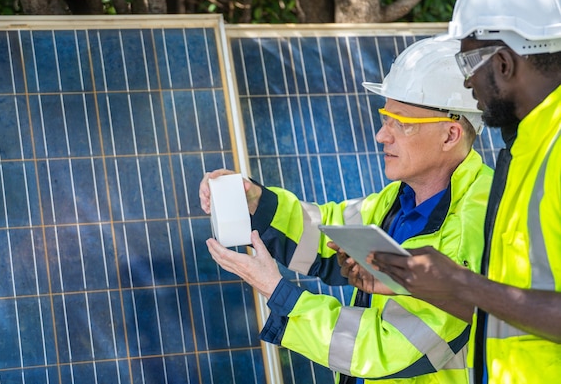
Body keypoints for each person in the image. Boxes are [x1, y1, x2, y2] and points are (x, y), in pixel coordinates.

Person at [199, 37, 493, 383]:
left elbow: (387, 350)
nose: (382, 136)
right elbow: (324, 233)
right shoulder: (400, 199)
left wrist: (279, 294)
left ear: (450, 135)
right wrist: (256, 201)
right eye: (386, 119)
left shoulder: (474, 223)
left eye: (402, 123)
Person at [368, 0, 561, 383]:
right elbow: (520, 312)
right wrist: (441, 288)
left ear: (505, 63)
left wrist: (463, 283)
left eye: (468, 62)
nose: (467, 82)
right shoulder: (526, 148)